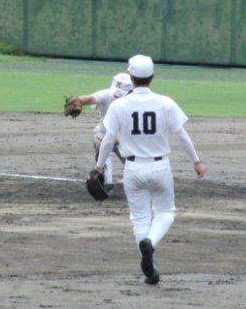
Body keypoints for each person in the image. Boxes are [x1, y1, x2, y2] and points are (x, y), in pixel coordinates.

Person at [96, 54, 205, 284]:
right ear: (152, 76)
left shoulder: (119, 104)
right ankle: (151, 245)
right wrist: (195, 161)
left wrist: (98, 167)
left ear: (131, 77)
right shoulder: (165, 102)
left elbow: (107, 140)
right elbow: (182, 136)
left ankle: (151, 269)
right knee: (166, 212)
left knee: (139, 220)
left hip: (132, 169)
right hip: (160, 167)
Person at [71, 72, 133, 191]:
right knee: (101, 141)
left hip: (127, 138)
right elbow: (90, 98)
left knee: (136, 165)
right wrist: (78, 101)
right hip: (104, 133)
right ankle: (107, 181)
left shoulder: (137, 103)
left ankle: (136, 177)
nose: (117, 95)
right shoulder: (108, 94)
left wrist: (116, 140)